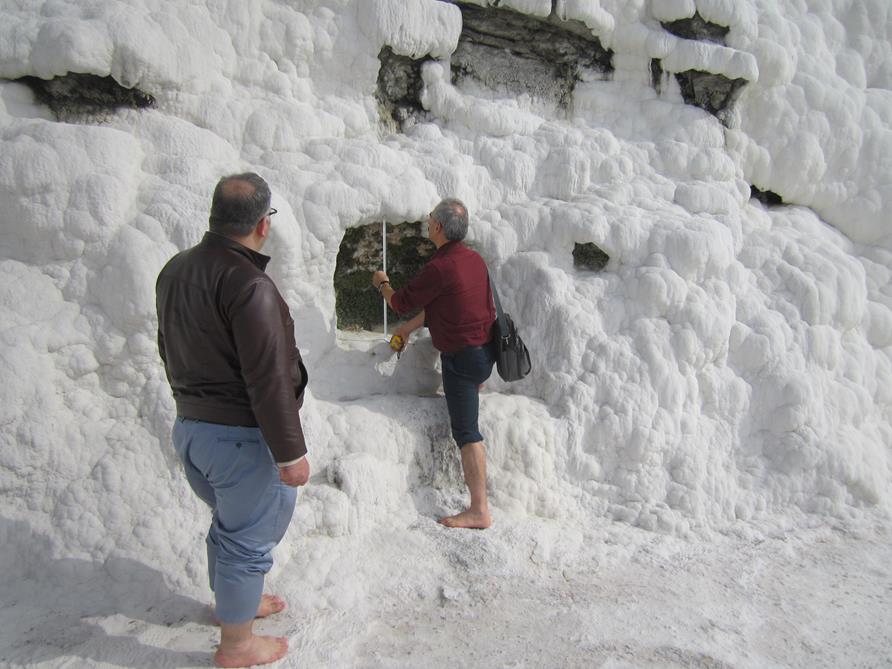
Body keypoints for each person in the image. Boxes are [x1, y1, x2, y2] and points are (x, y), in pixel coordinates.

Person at [156, 172, 310, 668]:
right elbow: (268, 378)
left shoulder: (175, 269)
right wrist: (291, 454)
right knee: (245, 540)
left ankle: (233, 607)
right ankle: (237, 646)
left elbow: (166, 348)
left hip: (192, 430)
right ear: (263, 225)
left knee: (228, 526)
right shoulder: (249, 284)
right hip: (241, 440)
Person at [372, 198, 496, 530]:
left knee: (468, 433)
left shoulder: (440, 268)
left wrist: (382, 283)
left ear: (438, 227)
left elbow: (399, 303)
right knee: (469, 402)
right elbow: (456, 305)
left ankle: (479, 509)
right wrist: (409, 328)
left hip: (462, 360)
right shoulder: (475, 261)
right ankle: (474, 381)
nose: (426, 221)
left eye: (430, 218)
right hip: (484, 355)